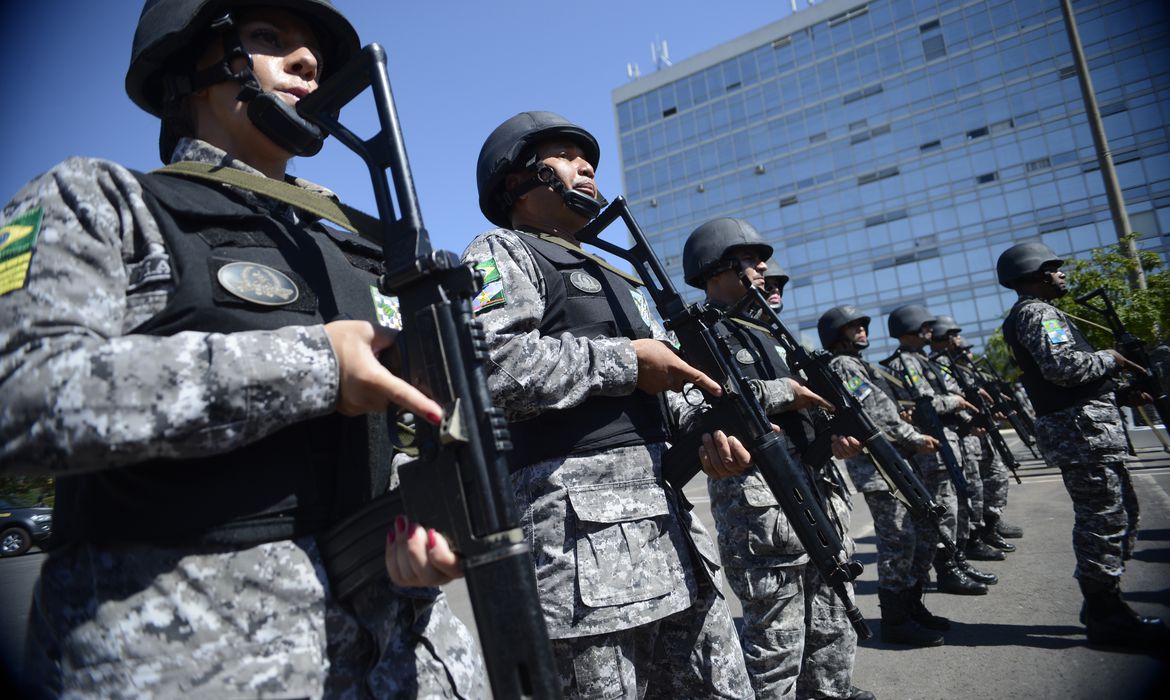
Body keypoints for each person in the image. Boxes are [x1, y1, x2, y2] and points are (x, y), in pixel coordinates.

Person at [0, 1, 483, 696]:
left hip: (398, 653)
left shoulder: (360, 245)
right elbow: (18, 390)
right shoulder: (104, 201)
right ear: (188, 67)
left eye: (313, 50)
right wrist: (314, 366)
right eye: (267, 38)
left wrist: (428, 522)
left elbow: (412, 430)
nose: (308, 62)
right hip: (195, 659)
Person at [464, 111, 753, 698]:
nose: (586, 165)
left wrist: (705, 433)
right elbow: (489, 366)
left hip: (670, 530)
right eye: (565, 155)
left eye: (586, 156)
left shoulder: (620, 275)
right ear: (518, 180)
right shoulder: (503, 251)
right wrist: (627, 363)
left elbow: (670, 393)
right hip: (577, 544)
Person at [683, 218, 871, 700]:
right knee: (776, 646)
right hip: (761, 511)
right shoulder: (699, 332)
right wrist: (786, 391)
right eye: (747, 258)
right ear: (714, 269)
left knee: (833, 626)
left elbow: (798, 420)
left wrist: (830, 441)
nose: (763, 265)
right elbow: (710, 401)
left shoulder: (770, 334)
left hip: (816, 495)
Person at [997, 241, 1170, 647]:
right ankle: (1105, 613)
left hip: (1087, 432)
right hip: (1082, 436)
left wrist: (1120, 393)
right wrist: (1111, 358)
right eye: (1053, 268)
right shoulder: (1039, 314)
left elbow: (1068, 377)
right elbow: (1063, 368)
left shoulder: (1039, 313)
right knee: (1103, 521)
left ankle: (1104, 605)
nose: (1062, 274)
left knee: (1119, 515)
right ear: (1034, 274)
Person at [818, 305, 946, 647]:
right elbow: (874, 415)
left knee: (915, 537)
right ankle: (896, 620)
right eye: (853, 326)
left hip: (892, 464)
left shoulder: (857, 364)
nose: (862, 329)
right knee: (898, 542)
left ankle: (912, 607)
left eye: (862, 325)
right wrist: (913, 437)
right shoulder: (843, 365)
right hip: (880, 468)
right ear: (836, 335)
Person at [880, 305, 989, 596]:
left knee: (954, 506)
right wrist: (956, 402)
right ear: (909, 329)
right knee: (943, 511)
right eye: (924, 326)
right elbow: (925, 404)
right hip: (931, 448)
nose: (931, 331)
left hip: (946, 442)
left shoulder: (921, 360)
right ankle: (946, 569)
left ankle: (956, 560)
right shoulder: (907, 362)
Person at [926, 317, 1009, 566]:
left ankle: (982, 531)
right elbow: (949, 397)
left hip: (968, 433)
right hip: (958, 436)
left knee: (982, 485)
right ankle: (967, 544)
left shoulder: (952, 362)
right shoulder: (936, 364)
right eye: (954, 334)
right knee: (965, 493)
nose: (959, 340)